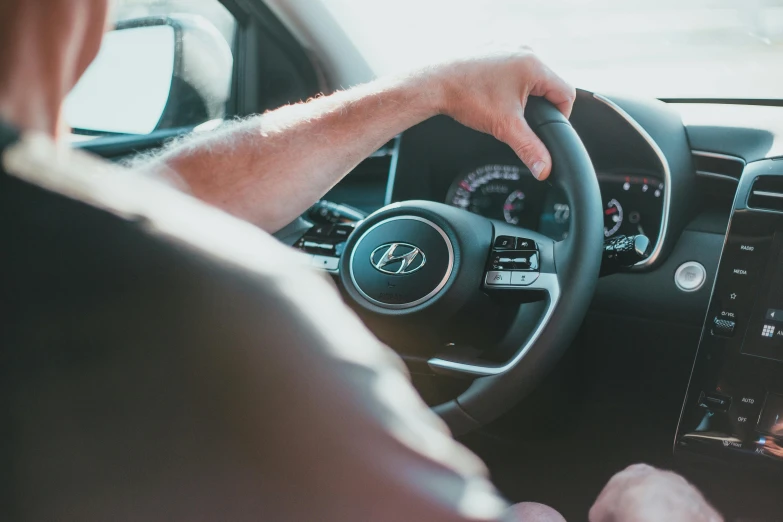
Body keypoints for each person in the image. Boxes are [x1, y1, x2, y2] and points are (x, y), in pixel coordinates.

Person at [0, 1, 723, 521]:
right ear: (81, 17)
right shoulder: (208, 302)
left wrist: (428, 88)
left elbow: (170, 193)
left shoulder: (60, 248)